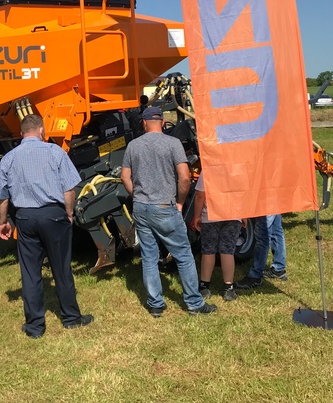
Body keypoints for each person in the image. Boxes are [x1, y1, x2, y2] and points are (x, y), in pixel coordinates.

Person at [0, 114, 93, 338]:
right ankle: (71, 318)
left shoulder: (9, 158)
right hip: (54, 215)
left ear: (22, 132)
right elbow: (69, 189)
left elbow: (1, 196)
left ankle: (35, 327)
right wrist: (67, 213)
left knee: (30, 272)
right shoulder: (54, 151)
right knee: (61, 268)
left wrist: (3, 222)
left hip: (25, 218)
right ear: (40, 131)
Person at [120, 106, 217, 316]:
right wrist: (180, 202)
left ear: (144, 123)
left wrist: (135, 195)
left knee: (148, 256)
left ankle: (155, 304)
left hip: (141, 208)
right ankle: (194, 303)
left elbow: (124, 176)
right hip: (165, 206)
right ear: (163, 122)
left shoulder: (133, 146)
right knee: (183, 254)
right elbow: (184, 177)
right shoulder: (172, 143)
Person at [190, 173, 241, 301]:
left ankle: (204, 286)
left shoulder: (208, 168)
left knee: (208, 250)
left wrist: (197, 215)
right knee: (227, 251)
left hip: (210, 215)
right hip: (233, 214)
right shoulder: (239, 166)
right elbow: (244, 193)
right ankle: (228, 288)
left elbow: (200, 194)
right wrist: (243, 214)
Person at [236, 214, 287, 290]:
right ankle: (278, 269)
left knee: (262, 234)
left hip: (265, 203)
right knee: (275, 230)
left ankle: (255, 275)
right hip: (274, 202)